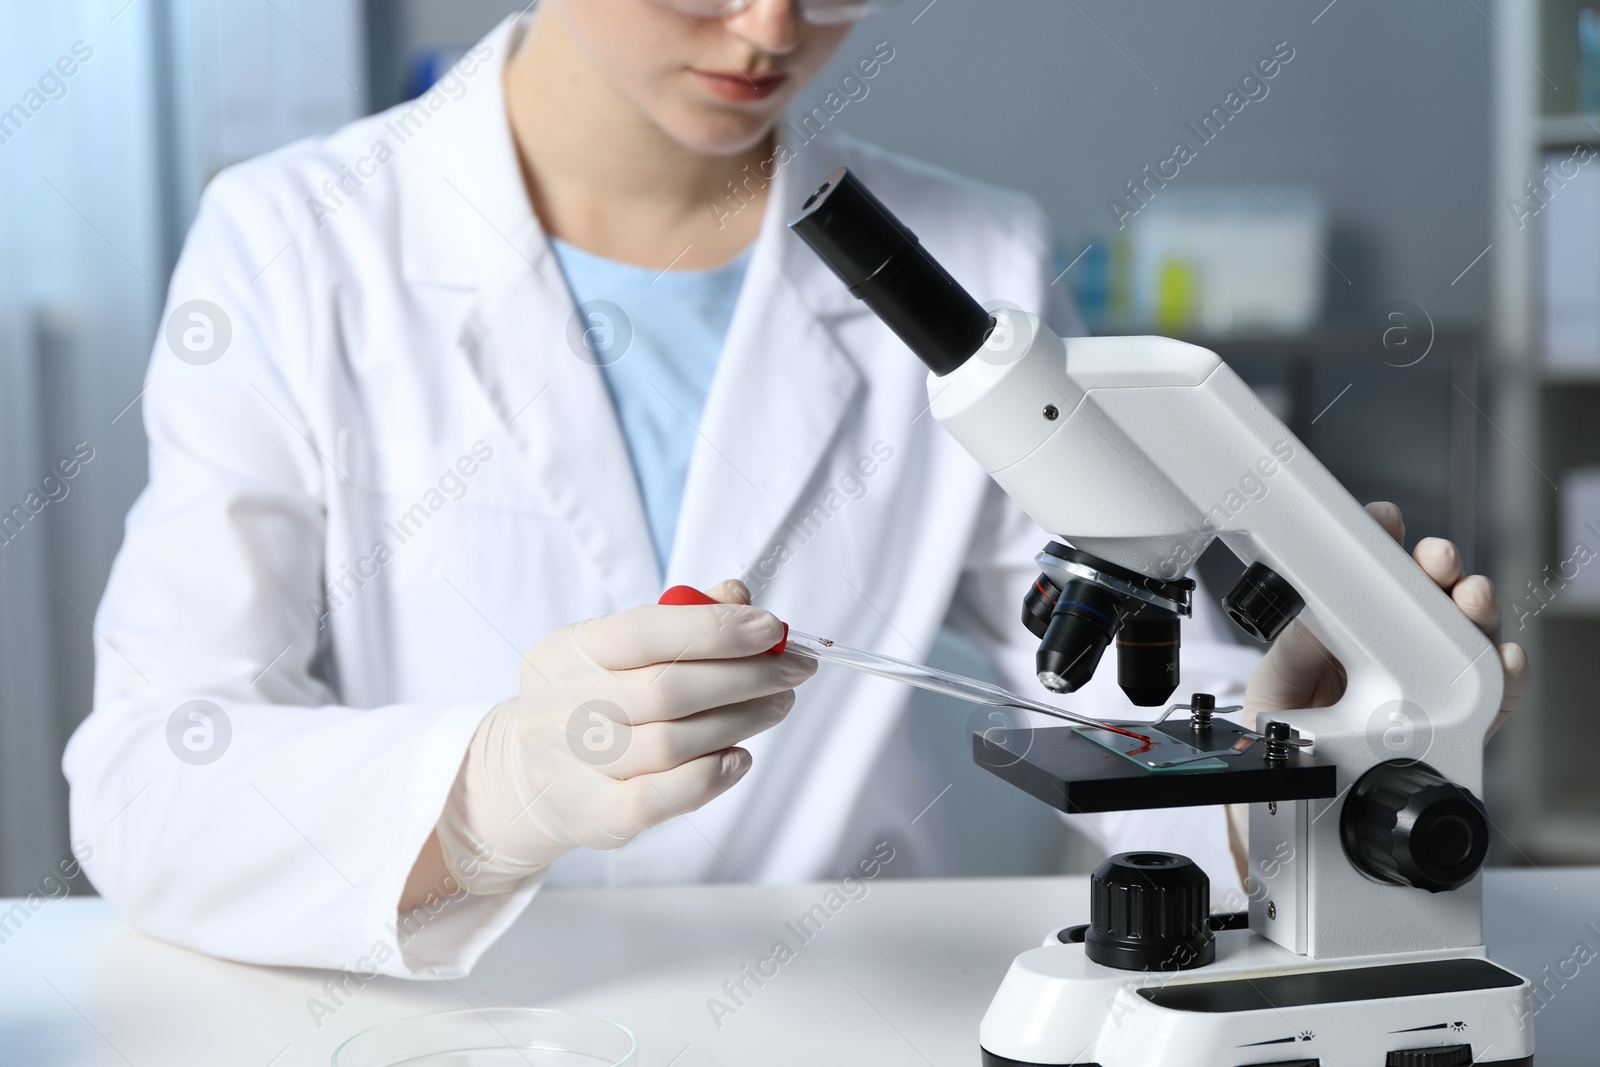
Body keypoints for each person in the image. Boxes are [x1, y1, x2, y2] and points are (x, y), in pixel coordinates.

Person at [63, 0, 1528, 978]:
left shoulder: (975, 262)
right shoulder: (294, 246)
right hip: (467, 1015)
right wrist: (492, 788)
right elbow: (147, 783)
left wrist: (1288, 743)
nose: (772, 27)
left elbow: (1112, 715)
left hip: (851, 1006)